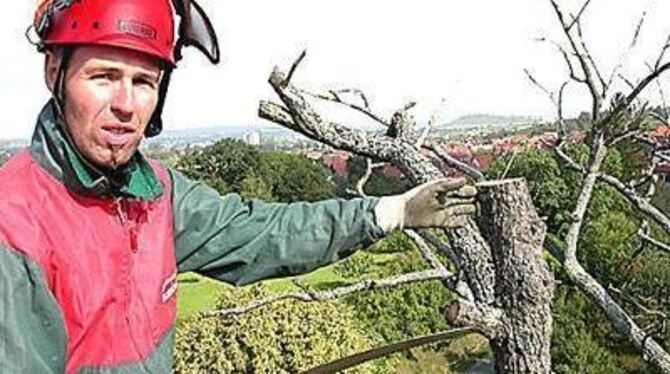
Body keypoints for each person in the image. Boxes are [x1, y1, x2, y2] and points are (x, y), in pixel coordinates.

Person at [0, 0, 477, 373]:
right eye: (103, 77)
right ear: (54, 74)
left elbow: (264, 231)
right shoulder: (14, 221)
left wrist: (391, 211)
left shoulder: (157, 197)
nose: (126, 104)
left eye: (144, 81)